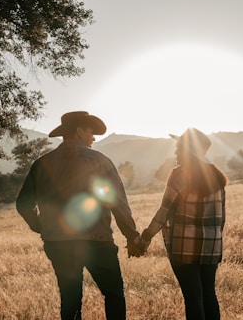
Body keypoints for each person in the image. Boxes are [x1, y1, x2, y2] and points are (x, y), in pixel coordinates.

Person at [16, 111, 142, 320]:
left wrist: (42, 226)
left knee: (70, 299)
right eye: (91, 131)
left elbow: (23, 204)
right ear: (80, 130)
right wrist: (132, 236)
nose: (94, 137)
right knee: (113, 294)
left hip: (58, 242)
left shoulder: (42, 163)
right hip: (97, 241)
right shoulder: (100, 161)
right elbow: (117, 203)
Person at [137, 128, 227, 320]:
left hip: (184, 247)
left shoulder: (179, 175)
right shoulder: (218, 176)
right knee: (209, 294)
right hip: (211, 247)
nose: (176, 152)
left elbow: (164, 211)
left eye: (179, 148)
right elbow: (222, 217)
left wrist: (145, 237)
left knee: (193, 297)